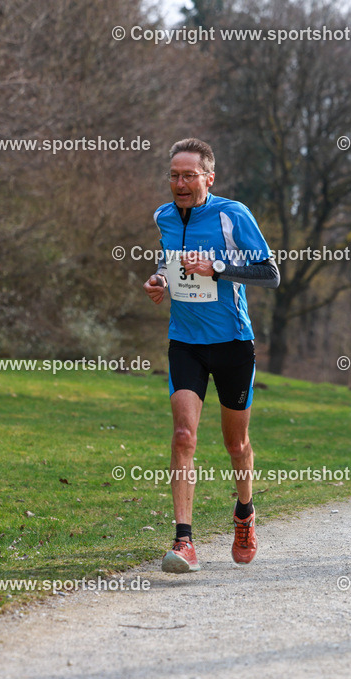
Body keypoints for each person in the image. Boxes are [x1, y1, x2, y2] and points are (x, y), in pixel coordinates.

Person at [143, 138, 280, 572]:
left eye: (188, 175)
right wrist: (159, 283)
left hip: (232, 343)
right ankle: (184, 541)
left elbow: (270, 273)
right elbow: (170, 265)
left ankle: (245, 513)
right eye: (173, 175)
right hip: (184, 341)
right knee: (184, 436)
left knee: (235, 443)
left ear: (209, 178)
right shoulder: (163, 217)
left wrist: (217, 268)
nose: (179, 183)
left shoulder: (232, 214)